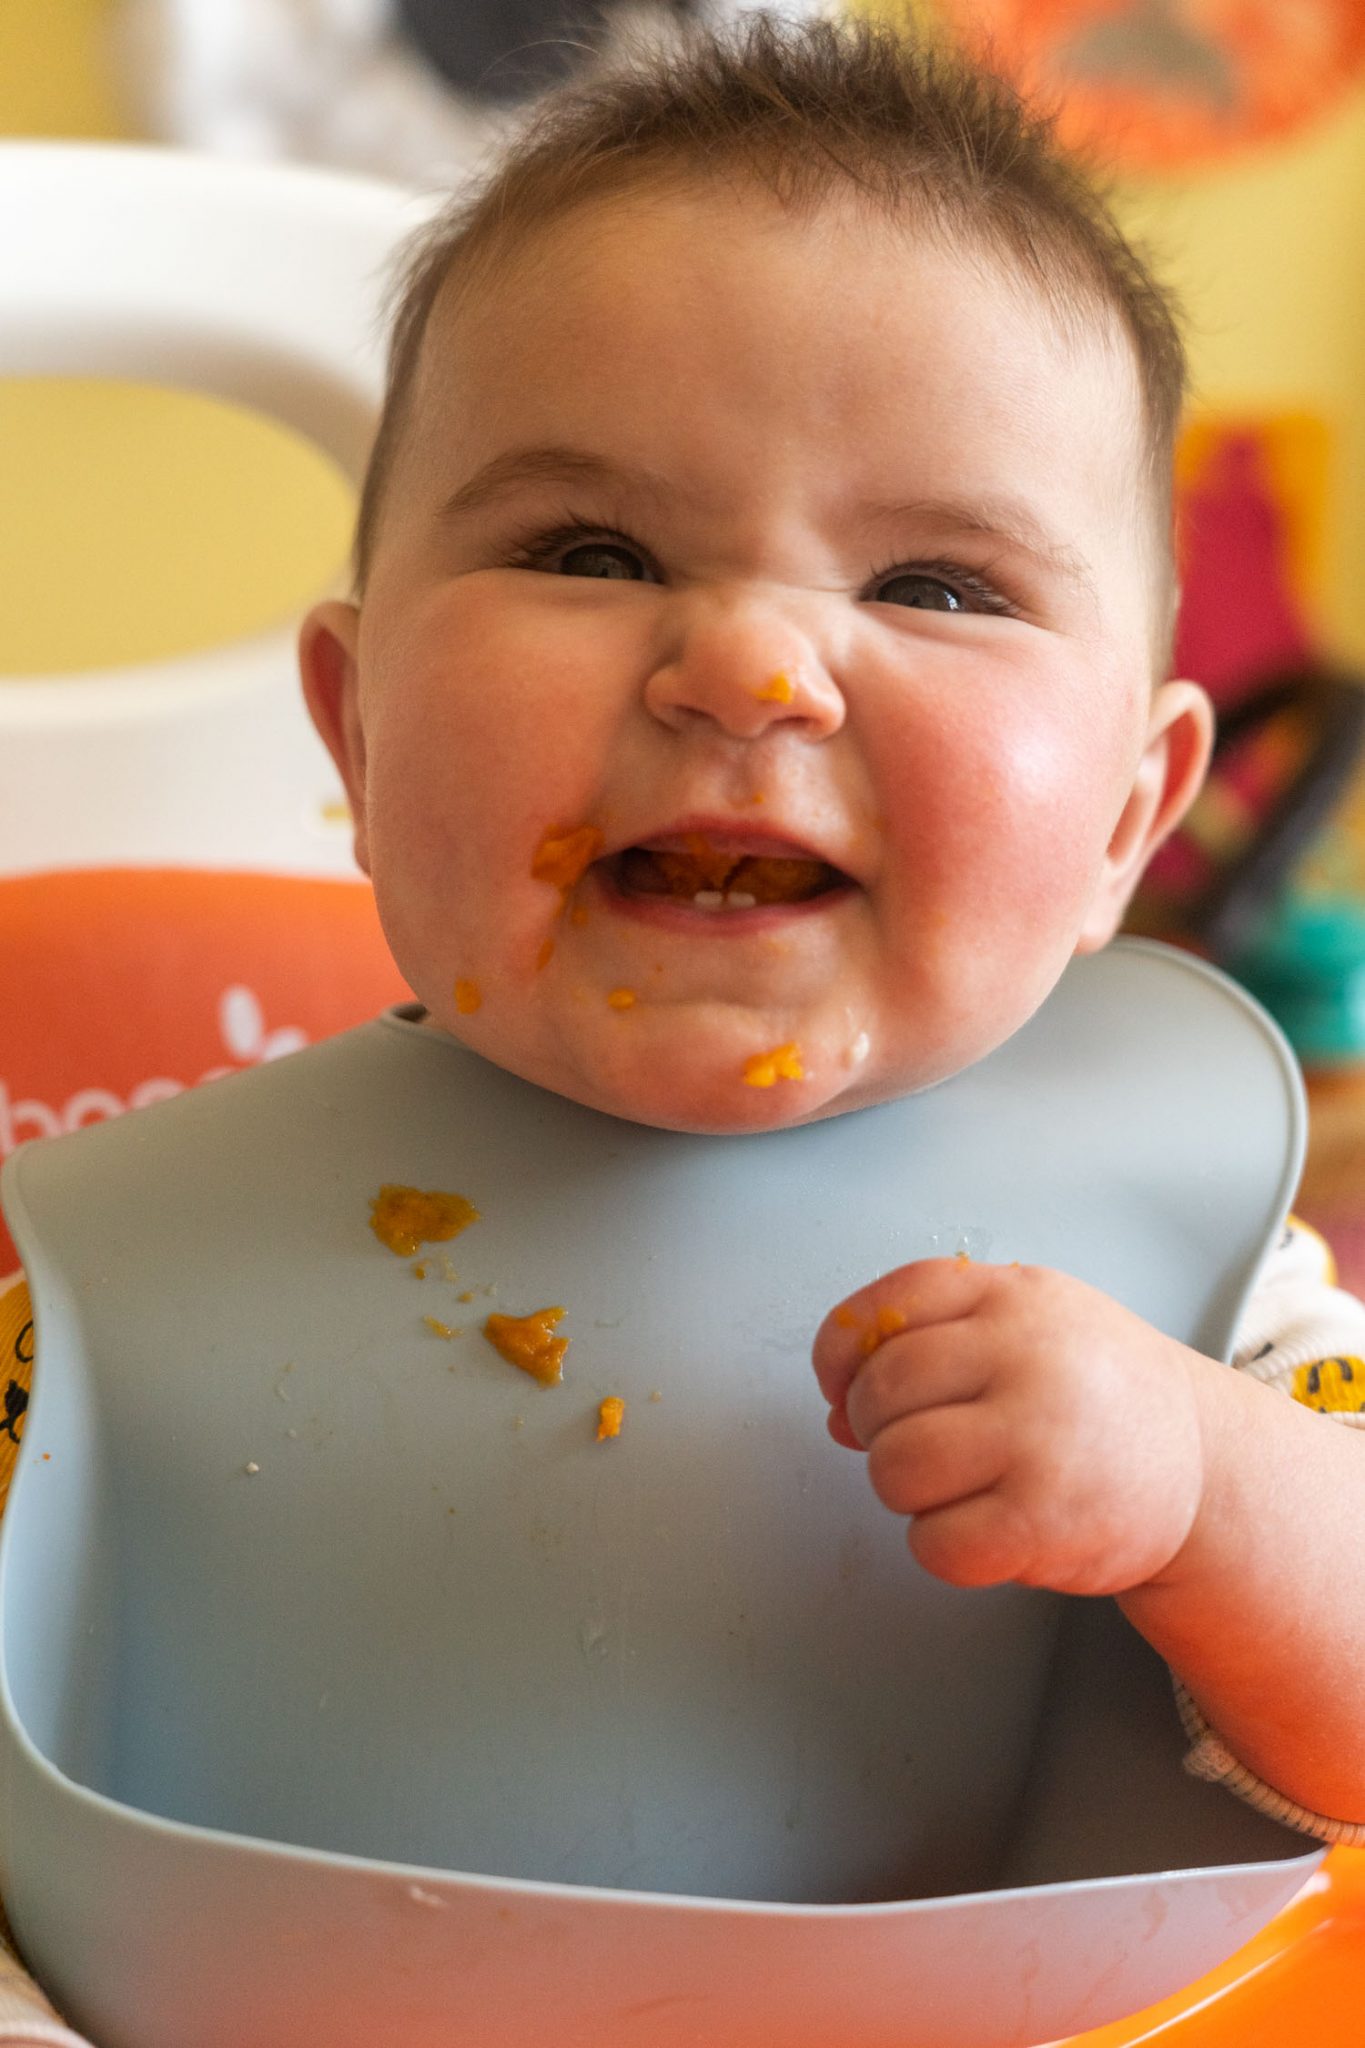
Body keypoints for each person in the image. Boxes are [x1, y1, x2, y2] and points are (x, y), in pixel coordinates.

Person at [2, 16, 1364, 2041]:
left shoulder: (1185, 1267)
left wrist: (1192, 1490)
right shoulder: (81, 1275)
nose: (745, 662)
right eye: (590, 552)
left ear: (1124, 820)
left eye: (931, 580)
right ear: (356, 733)